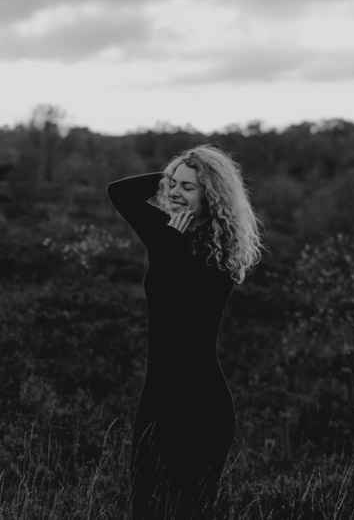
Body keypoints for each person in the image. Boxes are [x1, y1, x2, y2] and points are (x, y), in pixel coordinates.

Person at [107, 144, 264, 520]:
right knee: (145, 507)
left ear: (213, 196)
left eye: (188, 187)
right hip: (157, 398)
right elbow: (120, 191)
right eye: (171, 185)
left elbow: (182, 306)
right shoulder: (163, 234)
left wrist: (171, 244)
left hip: (201, 403)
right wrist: (178, 168)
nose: (174, 192)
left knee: (191, 510)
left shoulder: (219, 259)